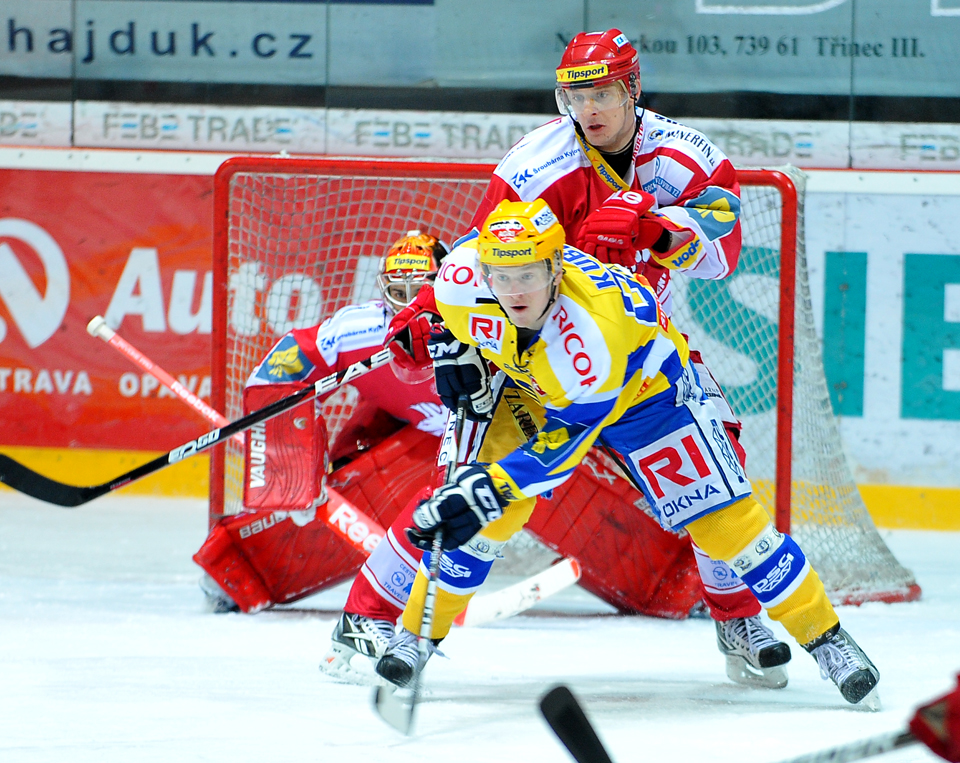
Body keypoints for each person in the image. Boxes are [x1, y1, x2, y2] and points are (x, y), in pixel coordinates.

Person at [388, 28, 790, 689]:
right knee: (473, 480)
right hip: (529, 358)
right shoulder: (534, 165)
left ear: (633, 88)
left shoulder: (685, 158)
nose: (589, 109)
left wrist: (657, 229)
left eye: (602, 92)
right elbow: (477, 255)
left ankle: (739, 618)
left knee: (719, 467)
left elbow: (722, 256)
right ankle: (413, 633)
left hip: (636, 351)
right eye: (576, 96)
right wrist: (434, 320)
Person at [375, 199, 880, 708]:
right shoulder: (461, 278)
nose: (514, 292)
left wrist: (488, 488)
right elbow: (453, 277)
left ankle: (828, 639)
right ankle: (415, 635)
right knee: (487, 522)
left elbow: (561, 449)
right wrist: (441, 334)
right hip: (533, 388)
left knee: (727, 525)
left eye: (527, 275)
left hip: (645, 395)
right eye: (501, 277)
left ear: (556, 269)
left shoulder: (590, 337)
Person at [195, 231, 451, 620]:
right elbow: (273, 379)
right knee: (344, 477)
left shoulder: (480, 324)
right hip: (398, 422)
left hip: (483, 436)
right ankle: (237, 570)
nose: (410, 304)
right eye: (399, 292)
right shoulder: (359, 330)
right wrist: (295, 472)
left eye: (420, 291)